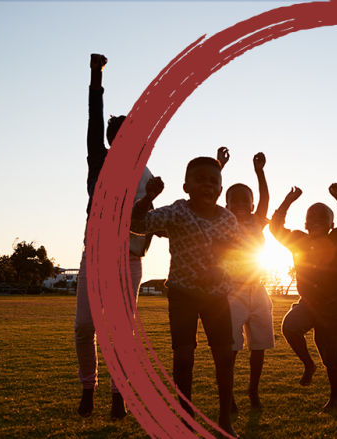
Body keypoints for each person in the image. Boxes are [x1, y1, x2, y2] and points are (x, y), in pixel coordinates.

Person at [131, 157, 240, 436]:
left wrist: (222, 270)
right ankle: (185, 415)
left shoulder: (228, 219)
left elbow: (239, 253)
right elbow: (138, 225)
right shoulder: (178, 211)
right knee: (183, 356)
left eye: (213, 181)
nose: (207, 184)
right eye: (200, 179)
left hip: (217, 297)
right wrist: (148, 199)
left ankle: (224, 419)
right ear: (186, 186)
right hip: (182, 295)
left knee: (224, 357)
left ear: (220, 188)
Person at [75, 53, 155, 420]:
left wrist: (150, 200)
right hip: (95, 255)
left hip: (129, 259)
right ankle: (88, 389)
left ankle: (118, 394)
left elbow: (144, 223)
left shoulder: (143, 174)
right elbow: (94, 118)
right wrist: (96, 76)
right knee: (85, 327)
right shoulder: (99, 159)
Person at [270, 183, 337, 410]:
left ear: (331, 224)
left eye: (322, 217)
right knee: (289, 327)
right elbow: (275, 228)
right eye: (311, 216)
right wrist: (288, 200)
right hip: (309, 304)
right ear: (305, 224)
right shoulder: (298, 239)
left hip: (333, 307)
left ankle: (335, 396)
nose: (315, 219)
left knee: (331, 355)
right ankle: (309, 365)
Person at [223, 152, 274, 411]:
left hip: (258, 290)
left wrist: (260, 171)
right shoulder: (223, 222)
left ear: (252, 205)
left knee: (260, 344)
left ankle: (253, 391)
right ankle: (228, 394)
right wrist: (219, 167)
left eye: (246, 200)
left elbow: (265, 198)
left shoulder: (256, 221)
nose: (242, 203)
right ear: (226, 205)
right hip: (232, 291)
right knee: (231, 346)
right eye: (235, 200)